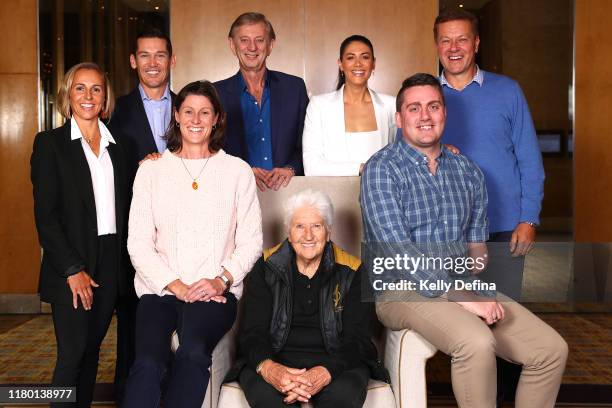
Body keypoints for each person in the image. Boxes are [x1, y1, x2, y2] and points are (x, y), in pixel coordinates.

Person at [361, 73, 567, 408]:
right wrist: (463, 297)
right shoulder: (382, 169)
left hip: (460, 282)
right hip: (399, 289)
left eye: (433, 106)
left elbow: (476, 250)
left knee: (550, 350)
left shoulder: (467, 171)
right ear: (399, 119)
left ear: (445, 113)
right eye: (414, 108)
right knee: (476, 341)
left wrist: (474, 275)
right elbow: (398, 252)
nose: (425, 116)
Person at [122, 80, 262, 408]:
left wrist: (220, 280)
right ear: (176, 116)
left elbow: (252, 241)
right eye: (188, 112)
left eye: (204, 112)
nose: (196, 119)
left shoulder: (237, 171)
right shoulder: (151, 171)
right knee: (148, 362)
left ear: (216, 119)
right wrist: (177, 287)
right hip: (160, 292)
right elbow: (138, 243)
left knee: (193, 353)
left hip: (214, 294)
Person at [433, 8, 546, 403]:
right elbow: (407, 153)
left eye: (462, 39)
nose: (454, 48)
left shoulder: (507, 90)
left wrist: (528, 218)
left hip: (502, 227)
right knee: (468, 328)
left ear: (476, 43)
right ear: (437, 45)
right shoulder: (426, 96)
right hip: (449, 232)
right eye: (445, 40)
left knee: (506, 322)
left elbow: (530, 159)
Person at [226, 189, 387, 407]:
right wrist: (270, 368)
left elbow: (357, 339)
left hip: (336, 362)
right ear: (289, 233)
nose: (308, 236)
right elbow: (253, 334)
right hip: (275, 359)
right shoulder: (264, 268)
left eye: (317, 226)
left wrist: (325, 371)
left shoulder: (354, 271)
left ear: (328, 232)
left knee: (341, 398)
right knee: (269, 400)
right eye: (299, 226)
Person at [31, 62, 130, 407]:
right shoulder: (50, 145)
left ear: (105, 97)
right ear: (67, 95)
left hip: (110, 261)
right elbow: (46, 217)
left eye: (96, 89)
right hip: (70, 263)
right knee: (71, 355)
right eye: (80, 88)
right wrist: (73, 269)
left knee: (91, 353)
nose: (88, 96)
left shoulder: (121, 147)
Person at [107, 28, 176, 398]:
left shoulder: (190, 107)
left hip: (182, 235)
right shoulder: (114, 111)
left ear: (171, 60)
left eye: (160, 55)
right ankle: (129, 397)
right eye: (145, 56)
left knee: (176, 321)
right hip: (135, 234)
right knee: (134, 323)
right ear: (133, 61)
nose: (153, 63)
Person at [215, 12, 309, 191]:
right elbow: (208, 150)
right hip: (234, 193)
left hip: (288, 191)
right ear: (232, 45)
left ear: (270, 45)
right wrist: (243, 171)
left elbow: (307, 142)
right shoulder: (215, 94)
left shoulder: (294, 88)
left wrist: (291, 169)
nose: (252, 47)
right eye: (244, 40)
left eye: (259, 40)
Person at [302, 35, 396, 176]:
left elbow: (398, 158)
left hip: (380, 195)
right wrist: (361, 168)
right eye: (351, 57)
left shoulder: (391, 105)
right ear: (340, 63)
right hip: (333, 194)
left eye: (365, 57)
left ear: (373, 63)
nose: (358, 63)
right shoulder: (319, 106)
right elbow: (311, 166)